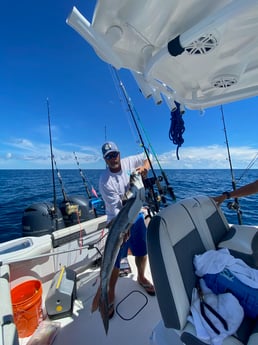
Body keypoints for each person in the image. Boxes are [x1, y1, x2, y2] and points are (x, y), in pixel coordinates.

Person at [92, 141, 155, 318]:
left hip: (137, 215)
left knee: (142, 252)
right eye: (109, 157)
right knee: (115, 260)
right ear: (105, 160)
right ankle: (109, 290)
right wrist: (124, 228)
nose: (113, 159)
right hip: (118, 221)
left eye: (115, 154)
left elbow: (148, 156)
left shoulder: (128, 162)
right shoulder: (105, 181)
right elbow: (116, 209)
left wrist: (144, 167)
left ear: (119, 153)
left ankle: (141, 277)